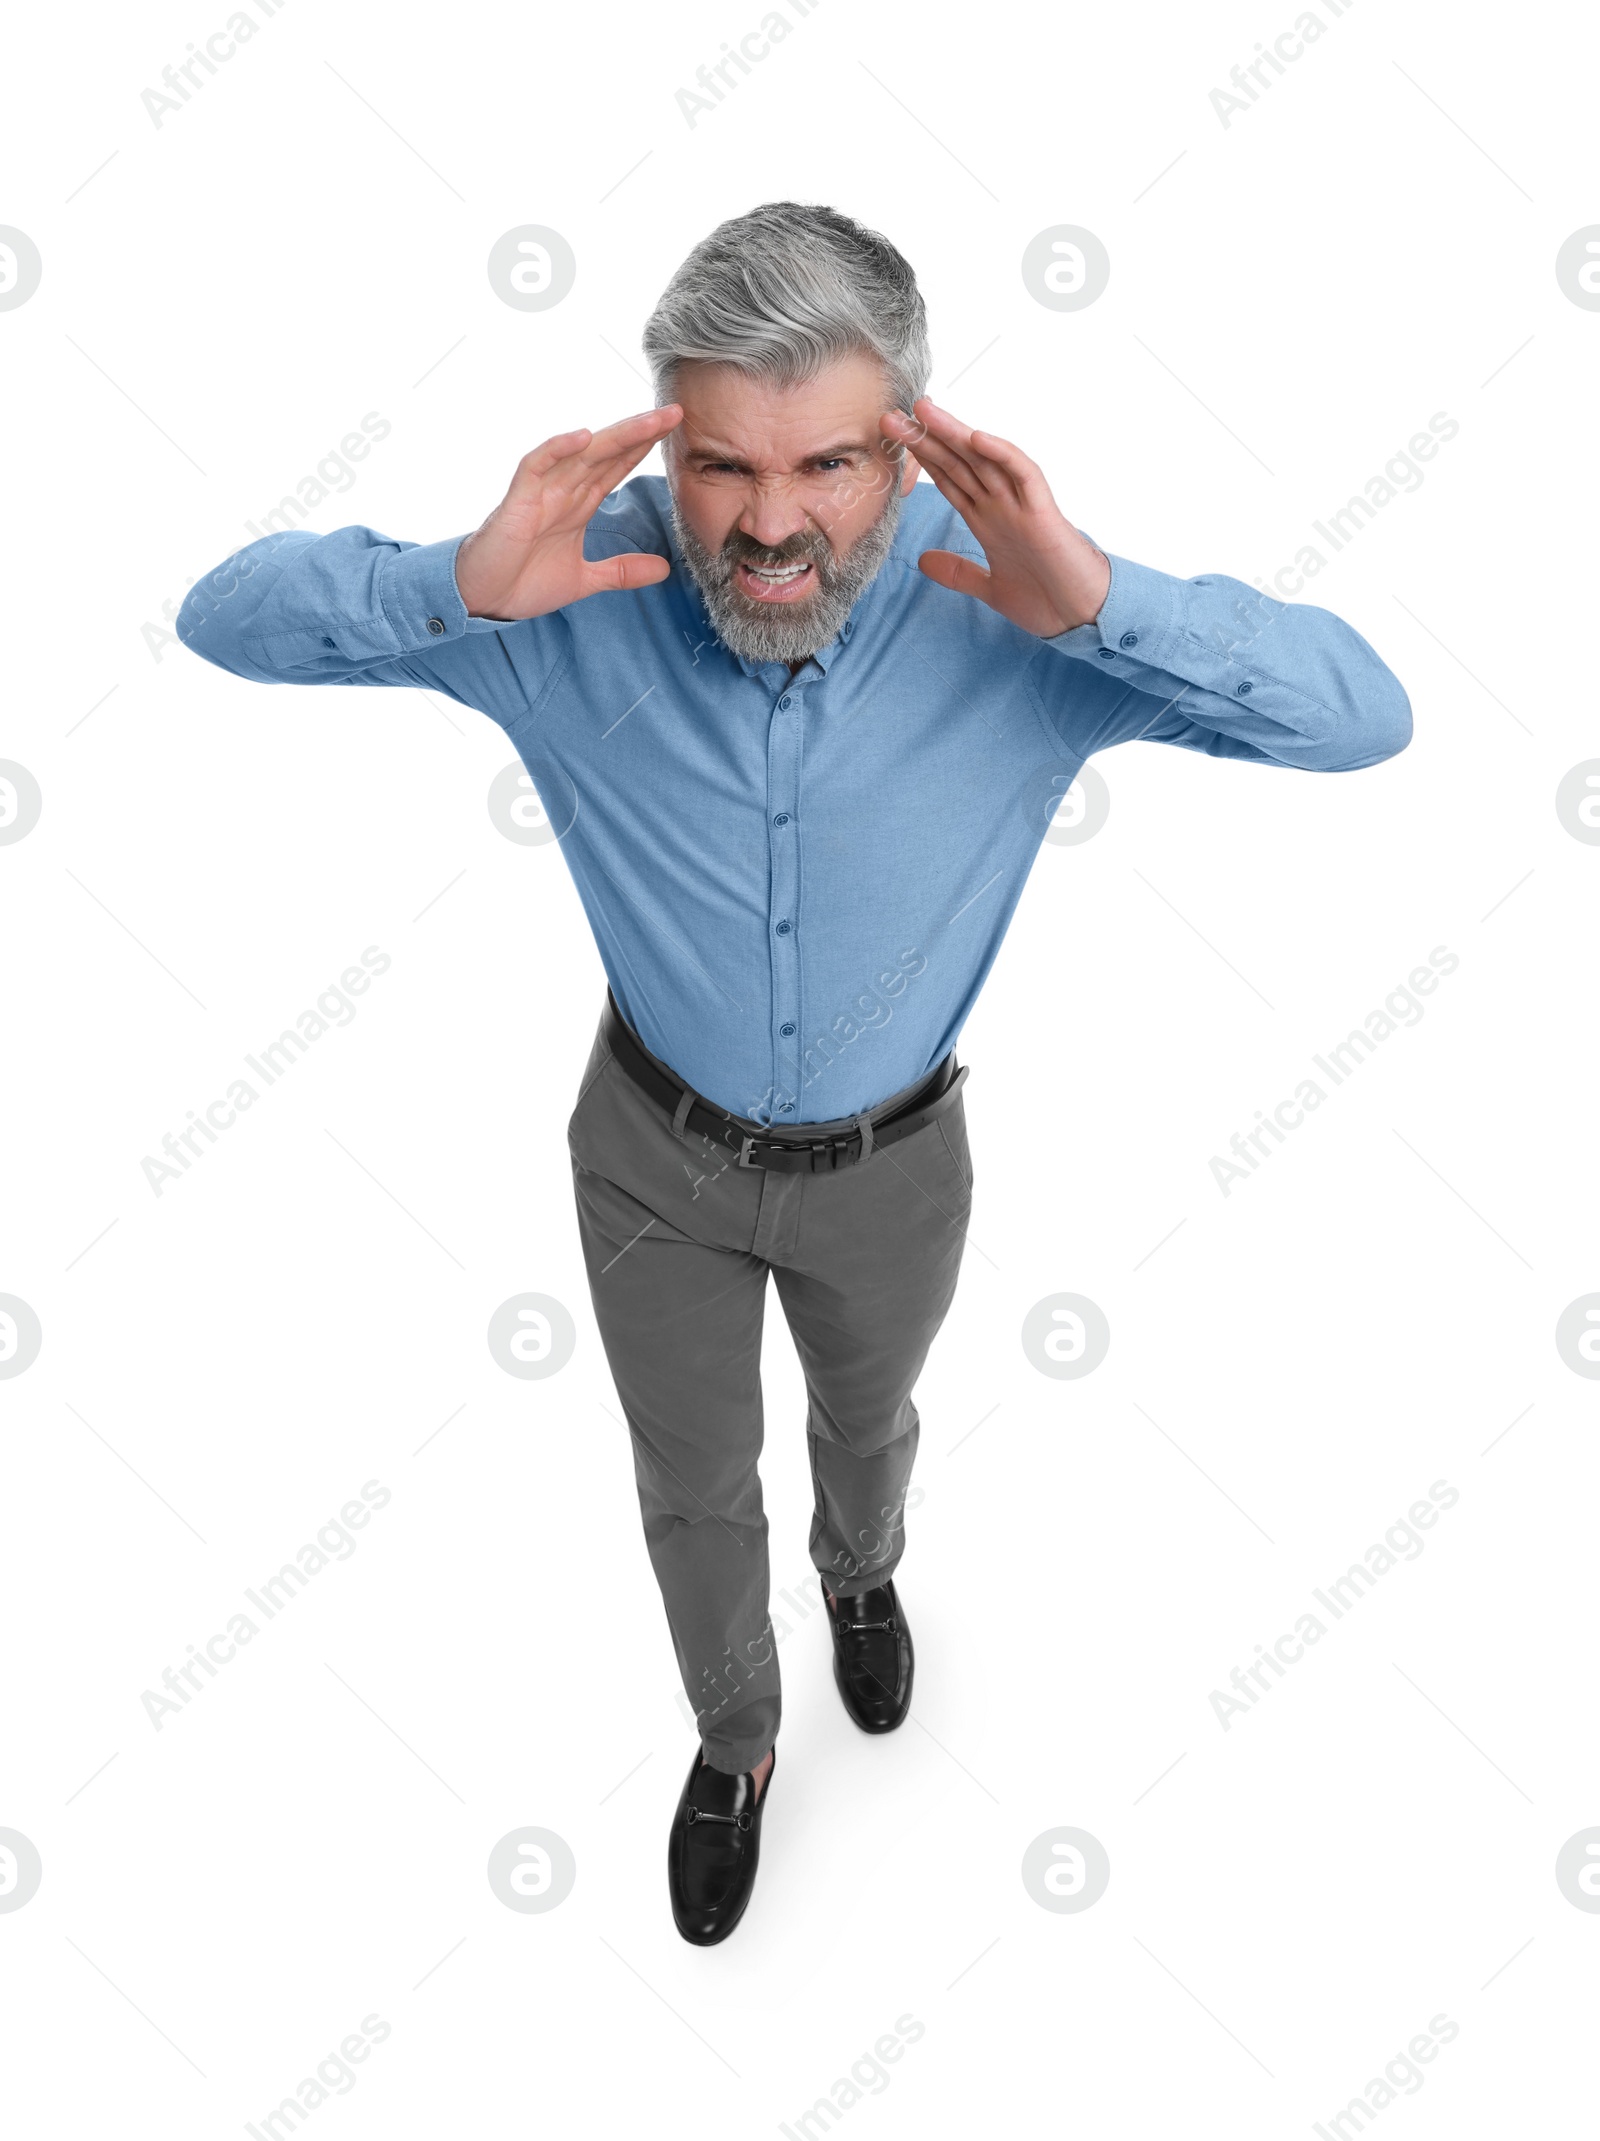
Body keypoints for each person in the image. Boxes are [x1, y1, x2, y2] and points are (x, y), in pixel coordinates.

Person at [178, 200, 1412, 1946]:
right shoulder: (565, 586)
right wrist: (447, 586)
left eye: (826, 463)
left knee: (867, 1421)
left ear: (908, 446)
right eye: (719, 466)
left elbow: (1367, 717)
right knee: (689, 1481)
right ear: (664, 444)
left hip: (896, 1171)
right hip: (646, 1160)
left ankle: (864, 1571)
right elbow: (220, 617)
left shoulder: (1023, 611)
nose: (769, 522)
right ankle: (739, 1744)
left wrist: (1108, 601)